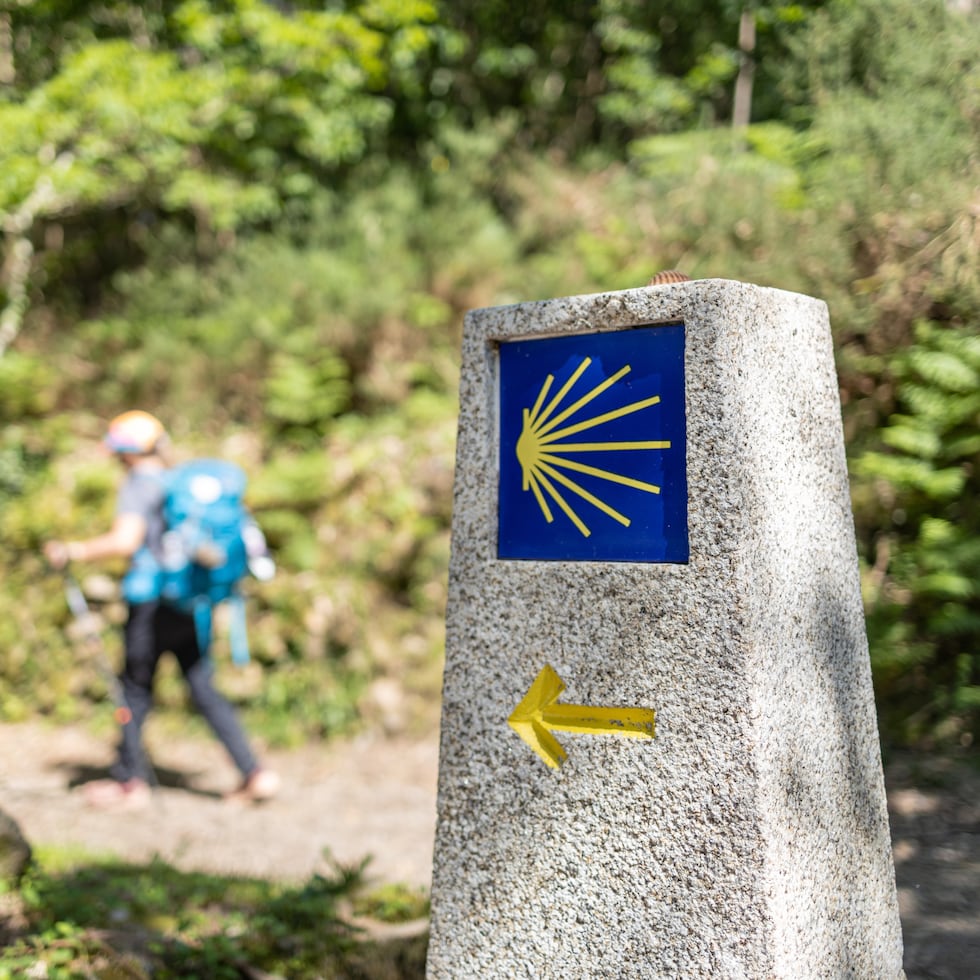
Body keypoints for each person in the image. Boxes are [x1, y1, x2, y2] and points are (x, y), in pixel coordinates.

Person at [44, 410, 279, 810]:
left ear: (127, 452)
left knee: (134, 689)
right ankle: (255, 773)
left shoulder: (139, 485)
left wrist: (73, 550)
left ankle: (129, 783)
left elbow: (125, 540)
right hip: (185, 601)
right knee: (202, 686)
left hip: (150, 602)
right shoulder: (177, 483)